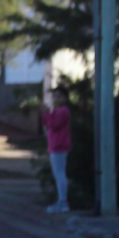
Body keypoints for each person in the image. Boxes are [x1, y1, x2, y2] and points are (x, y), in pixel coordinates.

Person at [42, 86, 72, 214]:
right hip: (54, 145)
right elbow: (47, 124)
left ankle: (63, 202)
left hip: (59, 146)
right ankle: (61, 200)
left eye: (58, 96)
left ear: (65, 98)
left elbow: (53, 125)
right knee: (58, 173)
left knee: (60, 174)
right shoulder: (56, 111)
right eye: (54, 96)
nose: (55, 98)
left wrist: (47, 113)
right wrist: (47, 113)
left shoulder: (63, 111)